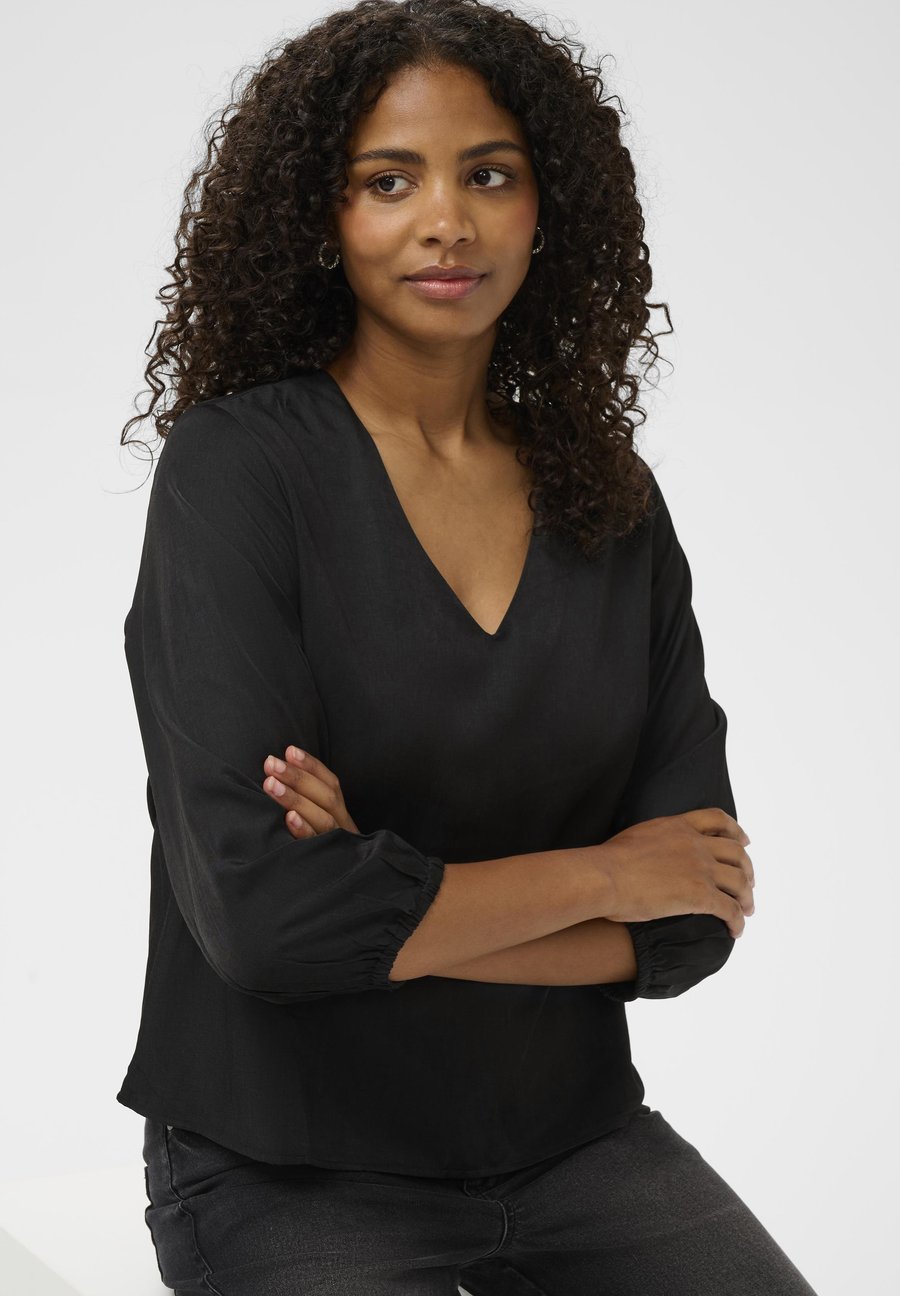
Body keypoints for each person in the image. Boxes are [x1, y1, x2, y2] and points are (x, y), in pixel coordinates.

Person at [119, 2, 818, 1292]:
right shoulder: (240, 473)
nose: (447, 221)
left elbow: (694, 915)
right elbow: (270, 927)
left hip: (572, 1140)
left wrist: (389, 899)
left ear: (550, 209)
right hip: (292, 1164)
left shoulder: (608, 498)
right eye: (388, 181)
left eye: (489, 174)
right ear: (321, 218)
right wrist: (606, 874)